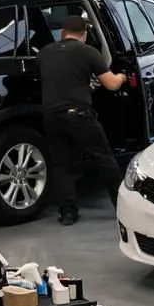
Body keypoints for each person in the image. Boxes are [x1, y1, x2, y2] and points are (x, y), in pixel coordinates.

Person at [38, 14, 126, 226]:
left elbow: (61, 78)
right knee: (103, 158)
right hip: (78, 114)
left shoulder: (44, 53)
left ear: (63, 33)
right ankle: (122, 206)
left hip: (51, 116)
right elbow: (111, 84)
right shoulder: (88, 52)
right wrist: (122, 77)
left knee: (62, 164)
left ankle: (67, 213)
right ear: (84, 34)